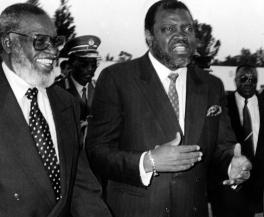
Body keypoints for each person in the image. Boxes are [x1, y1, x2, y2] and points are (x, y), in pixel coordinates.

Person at [86, 1, 252, 217]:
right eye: (169, 29)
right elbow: (97, 151)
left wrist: (233, 164)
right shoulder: (117, 79)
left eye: (188, 28)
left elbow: (223, 146)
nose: (181, 35)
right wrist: (148, 161)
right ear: (149, 36)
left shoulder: (212, 86)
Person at [0, 3, 111, 217]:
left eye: (55, 41)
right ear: (9, 43)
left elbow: (81, 187)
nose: (52, 51)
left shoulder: (66, 104)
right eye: (40, 41)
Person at [209, 64, 264, 217]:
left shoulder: (263, 104)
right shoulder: (222, 104)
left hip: (254, 186)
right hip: (225, 184)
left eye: (253, 79)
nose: (248, 82)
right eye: (243, 78)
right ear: (235, 80)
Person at [57, 35, 100, 144]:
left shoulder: (101, 89)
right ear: (71, 64)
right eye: (84, 64)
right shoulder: (56, 90)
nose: (90, 69)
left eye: (93, 64)